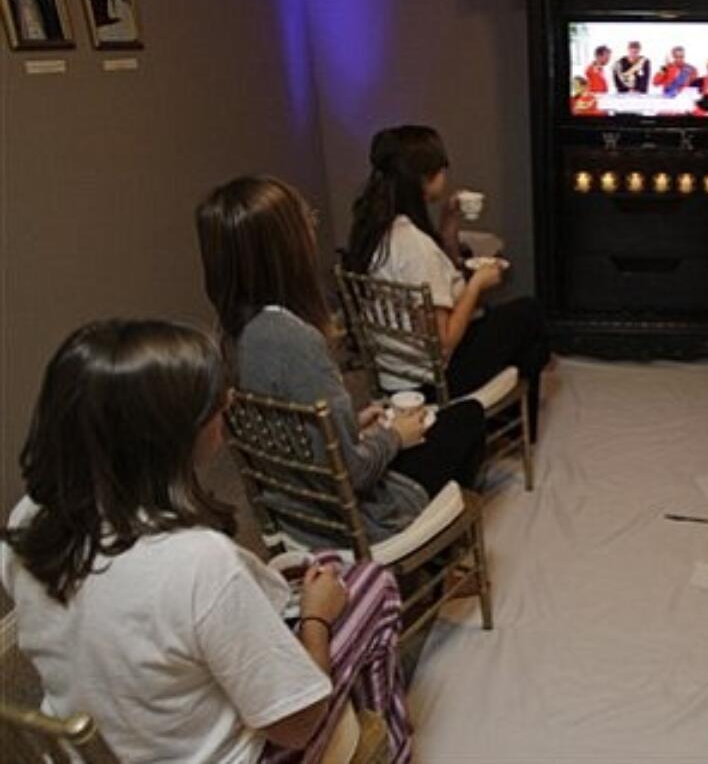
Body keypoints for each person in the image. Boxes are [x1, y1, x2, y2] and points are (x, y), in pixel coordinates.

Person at [0, 320, 411, 762]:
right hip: (245, 748)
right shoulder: (198, 563)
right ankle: (391, 749)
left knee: (322, 564)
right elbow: (297, 724)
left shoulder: (27, 521)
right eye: (210, 403)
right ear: (163, 440)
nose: (228, 401)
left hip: (116, 746)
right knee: (373, 584)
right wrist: (316, 620)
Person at [196, 175, 487, 548]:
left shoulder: (230, 334)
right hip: (350, 519)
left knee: (425, 424)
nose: (313, 228)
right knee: (466, 418)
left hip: (295, 508)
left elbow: (290, 428)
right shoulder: (294, 342)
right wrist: (395, 435)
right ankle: (443, 556)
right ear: (286, 248)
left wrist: (350, 424)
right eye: (307, 220)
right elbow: (354, 474)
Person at [344, 125, 551, 440]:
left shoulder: (375, 230)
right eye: (442, 169)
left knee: (515, 330)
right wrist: (477, 284)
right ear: (426, 178)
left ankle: (503, 417)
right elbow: (444, 343)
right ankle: (501, 422)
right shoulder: (414, 247)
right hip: (431, 379)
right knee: (530, 315)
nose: (446, 175)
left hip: (393, 372)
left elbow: (442, 274)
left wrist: (449, 222)